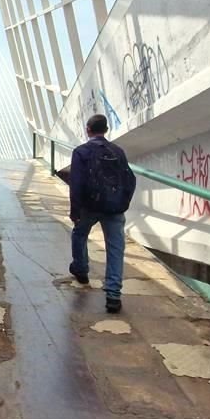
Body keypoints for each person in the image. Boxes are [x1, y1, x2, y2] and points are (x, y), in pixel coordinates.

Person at [67, 114, 136, 313]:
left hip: (89, 206)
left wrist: (75, 211)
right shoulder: (118, 151)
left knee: (79, 234)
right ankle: (113, 295)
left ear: (88, 129)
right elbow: (130, 179)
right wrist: (123, 202)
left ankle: (81, 270)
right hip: (114, 208)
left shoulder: (81, 152)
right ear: (106, 129)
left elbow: (76, 184)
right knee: (115, 248)